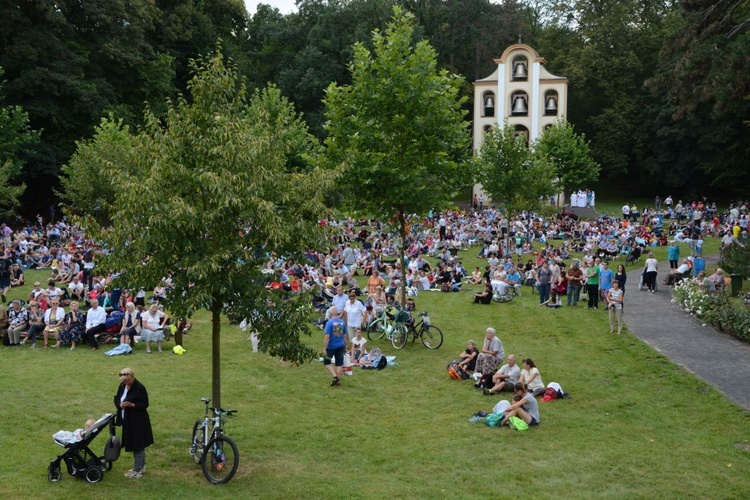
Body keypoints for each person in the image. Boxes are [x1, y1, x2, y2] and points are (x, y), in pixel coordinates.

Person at [114, 368, 154, 479]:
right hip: (127, 421)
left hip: (138, 421)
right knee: (134, 444)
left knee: (138, 445)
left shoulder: (139, 388)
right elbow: (117, 398)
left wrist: (132, 405)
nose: (125, 383)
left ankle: (138, 470)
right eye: (123, 381)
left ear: (132, 377)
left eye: (127, 381)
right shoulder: (122, 386)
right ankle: (140, 466)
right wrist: (119, 405)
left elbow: (145, 404)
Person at [323, 307, 349, 386]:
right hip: (341, 345)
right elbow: (345, 336)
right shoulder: (342, 322)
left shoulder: (329, 323)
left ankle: (335, 377)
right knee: (339, 364)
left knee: (326, 362)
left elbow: (327, 337)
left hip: (331, 346)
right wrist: (345, 346)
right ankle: (338, 381)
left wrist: (324, 348)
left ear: (330, 314)